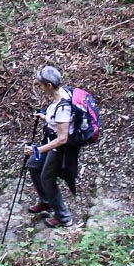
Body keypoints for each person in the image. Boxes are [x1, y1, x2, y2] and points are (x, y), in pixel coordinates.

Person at [23, 65, 81, 228]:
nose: (39, 88)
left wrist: (37, 150)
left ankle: (63, 217)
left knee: (47, 178)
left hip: (60, 148)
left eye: (41, 85)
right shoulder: (62, 94)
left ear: (49, 85)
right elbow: (58, 123)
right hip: (52, 141)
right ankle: (46, 201)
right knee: (34, 165)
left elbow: (62, 138)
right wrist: (44, 117)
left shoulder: (63, 107)